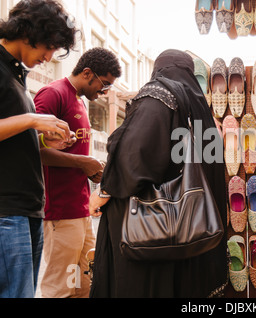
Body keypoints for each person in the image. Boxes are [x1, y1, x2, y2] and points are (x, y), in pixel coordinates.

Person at [89, 49, 228, 298]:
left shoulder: (159, 95)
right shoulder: (199, 111)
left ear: (158, 71)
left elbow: (135, 152)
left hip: (149, 238)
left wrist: (105, 189)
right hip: (191, 234)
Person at [0, 0, 77, 298]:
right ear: (30, 31)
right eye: (50, 46)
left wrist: (43, 137)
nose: (49, 56)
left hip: (28, 209)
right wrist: (33, 119)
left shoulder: (17, 74)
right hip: (7, 211)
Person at [33, 47, 122, 298]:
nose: (104, 92)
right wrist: (83, 164)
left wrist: (90, 169)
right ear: (87, 73)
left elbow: (71, 155)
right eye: (104, 84)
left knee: (83, 287)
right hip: (59, 211)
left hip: (80, 209)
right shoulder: (53, 94)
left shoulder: (80, 101)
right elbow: (34, 151)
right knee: (59, 288)